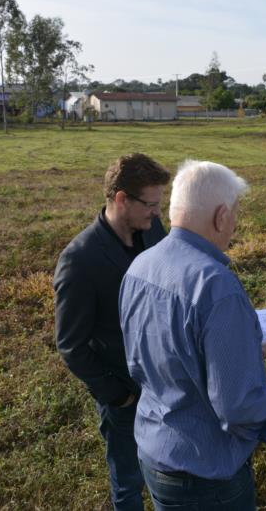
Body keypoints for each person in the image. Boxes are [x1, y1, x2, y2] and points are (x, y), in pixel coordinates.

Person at [119, 160, 266, 511]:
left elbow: (153, 354)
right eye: (236, 213)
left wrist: (244, 350)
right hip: (206, 475)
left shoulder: (141, 265)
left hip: (155, 450)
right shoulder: (216, 287)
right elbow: (237, 407)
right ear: (221, 216)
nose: (235, 223)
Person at [54, 153, 171, 511]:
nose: (156, 212)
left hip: (163, 383)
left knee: (166, 469)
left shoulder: (152, 230)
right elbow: (71, 345)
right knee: (128, 482)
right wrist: (117, 395)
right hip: (125, 393)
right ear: (121, 199)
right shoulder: (80, 259)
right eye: (150, 204)